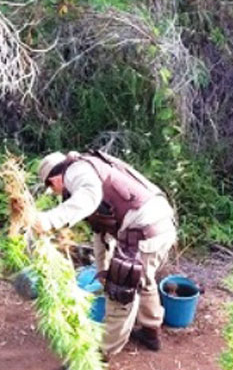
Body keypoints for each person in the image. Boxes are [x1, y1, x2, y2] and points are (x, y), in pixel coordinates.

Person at [33, 149, 177, 358]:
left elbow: (89, 197)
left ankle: (101, 355)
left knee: (121, 294)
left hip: (144, 231)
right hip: (160, 225)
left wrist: (47, 221)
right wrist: (102, 271)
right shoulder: (91, 167)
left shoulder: (76, 173)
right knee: (144, 278)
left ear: (54, 179)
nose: (56, 193)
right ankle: (150, 331)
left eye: (52, 188)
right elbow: (101, 233)